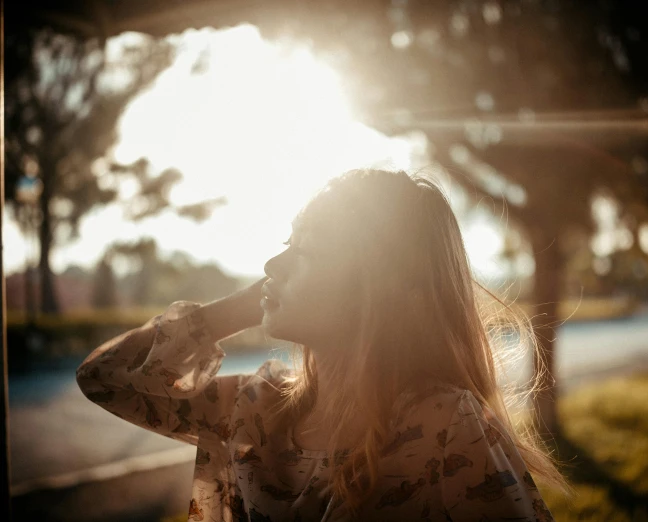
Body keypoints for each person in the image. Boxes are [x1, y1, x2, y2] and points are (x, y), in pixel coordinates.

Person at [77, 169, 567, 521]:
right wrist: (240, 308)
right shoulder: (253, 406)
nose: (273, 264)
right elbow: (103, 379)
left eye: (305, 251)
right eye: (286, 244)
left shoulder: (445, 424)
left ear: (378, 285)